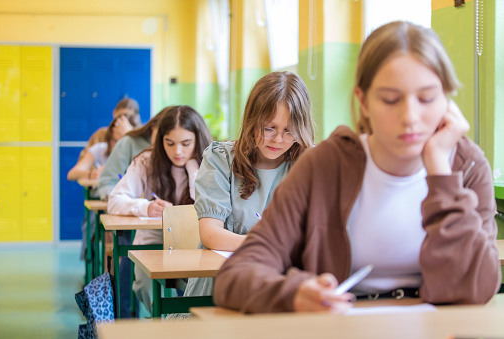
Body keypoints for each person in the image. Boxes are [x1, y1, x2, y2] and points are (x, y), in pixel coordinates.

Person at [213, 21, 501, 314]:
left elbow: (477, 288)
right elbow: (236, 275)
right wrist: (293, 292)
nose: (410, 117)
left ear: (446, 99)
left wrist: (441, 173)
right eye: (390, 100)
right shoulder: (325, 165)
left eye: (427, 98)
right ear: (363, 102)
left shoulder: (468, 166)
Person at [173, 71, 315, 313]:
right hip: (221, 285)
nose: (278, 139)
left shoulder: (307, 163)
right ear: (252, 120)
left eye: (289, 130)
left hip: (282, 283)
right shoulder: (221, 159)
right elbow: (211, 234)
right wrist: (269, 245)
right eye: (269, 128)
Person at [107, 105, 212, 313]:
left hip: (194, 241)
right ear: (160, 140)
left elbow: (206, 202)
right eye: (169, 143)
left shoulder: (208, 163)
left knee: (200, 289)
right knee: (146, 285)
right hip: (153, 240)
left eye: (186, 144)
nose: (177, 152)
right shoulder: (146, 161)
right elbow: (114, 200)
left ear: (197, 141)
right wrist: (146, 207)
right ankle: (163, 323)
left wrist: (193, 168)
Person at [67, 115, 134, 181]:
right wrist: (92, 174)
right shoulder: (100, 149)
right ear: (108, 139)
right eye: (114, 140)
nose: (117, 146)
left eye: (121, 141)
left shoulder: (134, 154)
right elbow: (72, 174)